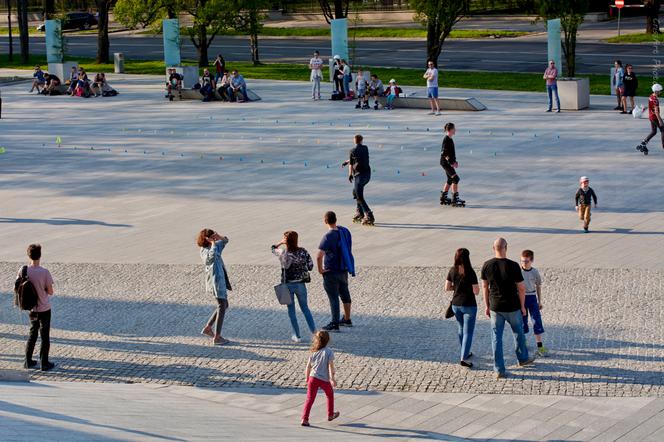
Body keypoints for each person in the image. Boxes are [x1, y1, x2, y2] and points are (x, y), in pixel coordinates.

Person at [481, 238, 534, 379]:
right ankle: (522, 358)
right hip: (512, 307)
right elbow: (521, 288)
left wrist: (487, 306)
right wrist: (522, 306)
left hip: (495, 307)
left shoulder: (486, 265)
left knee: (496, 338)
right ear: (506, 247)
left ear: (493, 248)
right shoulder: (513, 266)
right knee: (518, 333)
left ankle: (499, 369)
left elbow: (485, 287)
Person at [271, 231, 316, 343]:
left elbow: (272, 248)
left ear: (286, 241)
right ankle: (315, 334)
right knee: (305, 309)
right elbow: (310, 266)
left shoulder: (282, 253)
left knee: (291, 310)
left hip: (287, 285)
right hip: (300, 284)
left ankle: (297, 335)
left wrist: (280, 243)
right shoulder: (303, 252)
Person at [19, 244, 56, 371]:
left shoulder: (23, 270)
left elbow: (18, 286)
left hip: (31, 308)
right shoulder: (45, 272)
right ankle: (44, 363)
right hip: (44, 308)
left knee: (32, 333)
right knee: (44, 336)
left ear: (28, 255)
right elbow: (50, 292)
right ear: (40, 255)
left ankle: (27, 361)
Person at [317, 211, 355, 332]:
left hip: (331, 271)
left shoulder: (328, 236)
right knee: (345, 294)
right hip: (343, 269)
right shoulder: (344, 231)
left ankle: (334, 323)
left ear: (325, 221)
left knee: (333, 297)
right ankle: (347, 319)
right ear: (336, 219)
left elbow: (319, 256)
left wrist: (320, 270)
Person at [197, 228, 232, 346]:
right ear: (207, 239)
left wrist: (219, 236)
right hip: (215, 281)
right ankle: (217, 337)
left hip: (221, 280)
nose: (215, 239)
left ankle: (208, 328)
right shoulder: (204, 250)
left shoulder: (215, 245)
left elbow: (226, 241)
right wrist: (213, 244)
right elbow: (210, 258)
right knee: (222, 305)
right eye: (212, 237)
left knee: (224, 305)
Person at [445, 248, 479, 368]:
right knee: (468, 332)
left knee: (461, 329)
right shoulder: (470, 272)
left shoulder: (452, 270)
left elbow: (447, 287)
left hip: (456, 305)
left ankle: (465, 352)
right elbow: (476, 291)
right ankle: (463, 358)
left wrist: (457, 287)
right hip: (469, 305)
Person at [301, 331, 340, 427]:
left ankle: (304, 419)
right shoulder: (329, 351)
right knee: (330, 394)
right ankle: (330, 414)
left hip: (312, 378)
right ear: (328, 340)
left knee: (309, 399)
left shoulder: (313, 352)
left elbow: (308, 367)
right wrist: (332, 379)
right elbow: (331, 367)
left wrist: (307, 379)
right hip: (324, 380)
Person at [520, 250, 547, 357]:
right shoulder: (518, 271)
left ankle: (540, 346)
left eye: (526, 261)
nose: (523, 263)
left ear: (531, 261)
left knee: (536, 320)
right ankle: (523, 343)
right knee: (522, 321)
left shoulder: (534, 272)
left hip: (532, 297)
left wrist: (539, 301)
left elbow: (538, 286)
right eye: (522, 261)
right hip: (521, 298)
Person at [342, 134, 373, 225]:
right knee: (355, 192)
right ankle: (359, 212)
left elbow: (351, 164)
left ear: (354, 141)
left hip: (359, 176)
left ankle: (369, 215)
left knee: (359, 197)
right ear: (361, 140)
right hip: (367, 175)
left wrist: (350, 174)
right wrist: (347, 161)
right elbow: (356, 159)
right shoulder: (365, 148)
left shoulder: (352, 150)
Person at [439, 122, 465, 207]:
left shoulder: (450, 139)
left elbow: (451, 153)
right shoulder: (446, 139)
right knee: (456, 179)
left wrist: (455, 161)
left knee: (450, 179)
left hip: (447, 163)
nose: (455, 130)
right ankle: (455, 199)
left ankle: (444, 197)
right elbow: (444, 153)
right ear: (450, 130)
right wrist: (451, 163)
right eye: (454, 128)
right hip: (445, 163)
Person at [638, 83, 664, 155]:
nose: (660, 92)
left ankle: (643, 143)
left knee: (654, 131)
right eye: (659, 91)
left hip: (651, 116)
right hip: (655, 117)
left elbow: (650, 106)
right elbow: (656, 111)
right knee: (663, 130)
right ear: (656, 91)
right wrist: (660, 120)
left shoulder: (651, 96)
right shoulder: (655, 100)